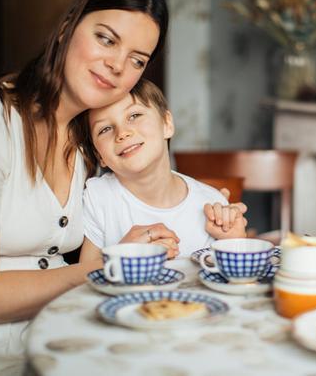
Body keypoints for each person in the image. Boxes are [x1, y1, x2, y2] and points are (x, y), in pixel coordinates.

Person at [0, 0, 173, 375]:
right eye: (106, 39)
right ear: (68, 27)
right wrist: (101, 270)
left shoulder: (89, 139)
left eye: (138, 60)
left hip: (57, 336)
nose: (117, 66)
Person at [76, 79, 247, 262]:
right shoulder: (99, 198)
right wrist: (122, 255)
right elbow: (83, 280)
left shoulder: (212, 205)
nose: (122, 133)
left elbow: (234, 281)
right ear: (99, 155)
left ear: (167, 124)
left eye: (134, 116)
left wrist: (235, 242)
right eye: (105, 129)